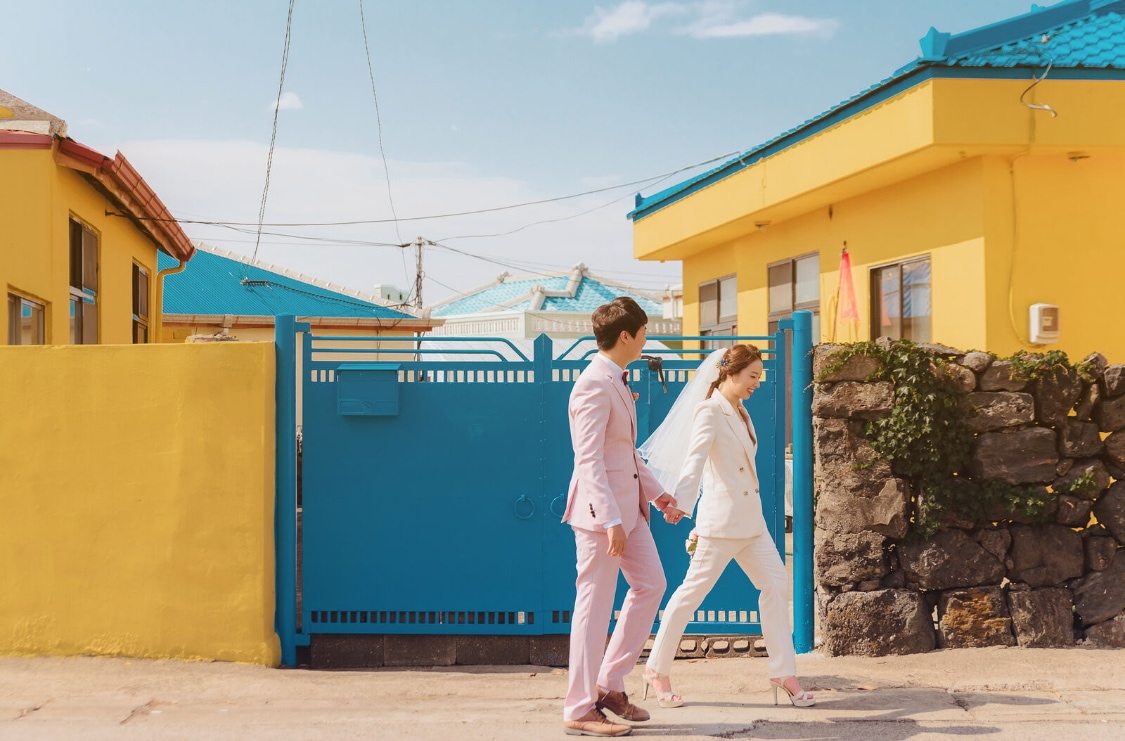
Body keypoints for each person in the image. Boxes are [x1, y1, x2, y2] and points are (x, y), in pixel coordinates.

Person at [639, 344, 815, 709]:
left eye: (759, 377)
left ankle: (783, 673)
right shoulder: (710, 410)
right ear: (730, 373)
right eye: (752, 376)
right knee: (689, 597)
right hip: (720, 524)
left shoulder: (740, 411)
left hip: (752, 523)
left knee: (776, 586)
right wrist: (681, 505)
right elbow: (695, 460)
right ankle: (656, 669)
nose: (756, 383)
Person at [561, 296, 679, 737]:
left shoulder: (616, 380)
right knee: (593, 610)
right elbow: (588, 460)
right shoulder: (593, 384)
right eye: (644, 332)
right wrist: (610, 519)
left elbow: (624, 453)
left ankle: (609, 683)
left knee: (651, 585)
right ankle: (579, 708)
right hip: (602, 517)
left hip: (631, 511)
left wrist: (659, 494)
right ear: (626, 336)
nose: (647, 340)